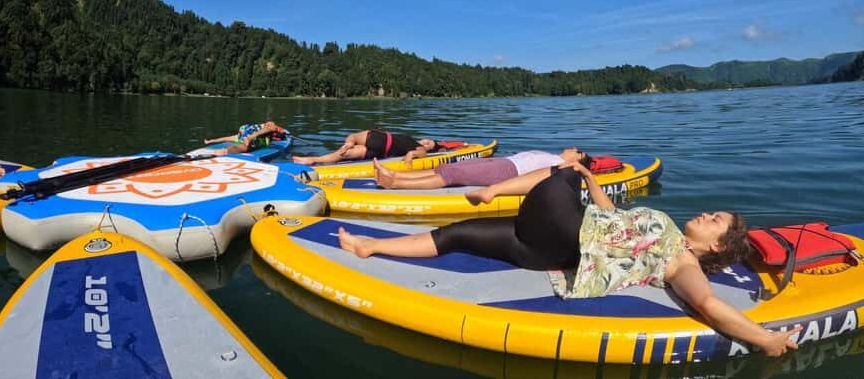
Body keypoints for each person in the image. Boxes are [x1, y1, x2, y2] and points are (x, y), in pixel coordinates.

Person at [338, 159, 802, 358]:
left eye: (715, 219)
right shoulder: (663, 226)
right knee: (459, 234)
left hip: (569, 239)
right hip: (545, 249)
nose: (705, 213)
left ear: (718, 245)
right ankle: (372, 247)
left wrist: (766, 340)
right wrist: (588, 175)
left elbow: (709, 305)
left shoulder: (681, 259)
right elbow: (609, 213)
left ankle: (493, 189)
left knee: (560, 177)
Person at [373, 147, 593, 189]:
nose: (573, 148)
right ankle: (396, 173)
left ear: (576, 160)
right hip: (505, 162)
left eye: (578, 152)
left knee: (454, 174)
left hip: (508, 172)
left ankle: (396, 183)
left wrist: (584, 168)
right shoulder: (552, 155)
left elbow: (576, 172)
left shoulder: (562, 165)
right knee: (449, 166)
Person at [292, 129, 440, 165]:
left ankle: (313, 160)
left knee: (345, 154)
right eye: (428, 141)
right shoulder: (411, 139)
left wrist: (413, 154)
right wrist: (349, 142)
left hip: (381, 149)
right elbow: (355, 136)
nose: (425, 144)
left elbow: (421, 152)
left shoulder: (417, 146)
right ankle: (312, 159)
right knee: (351, 141)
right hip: (380, 138)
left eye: (429, 145)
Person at [203, 121, 288, 154]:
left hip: (253, 138)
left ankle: (225, 151)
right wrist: (212, 141)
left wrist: (251, 137)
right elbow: (226, 138)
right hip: (252, 137)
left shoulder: (268, 131)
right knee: (243, 144)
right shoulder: (239, 136)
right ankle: (225, 151)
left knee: (243, 146)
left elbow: (272, 128)